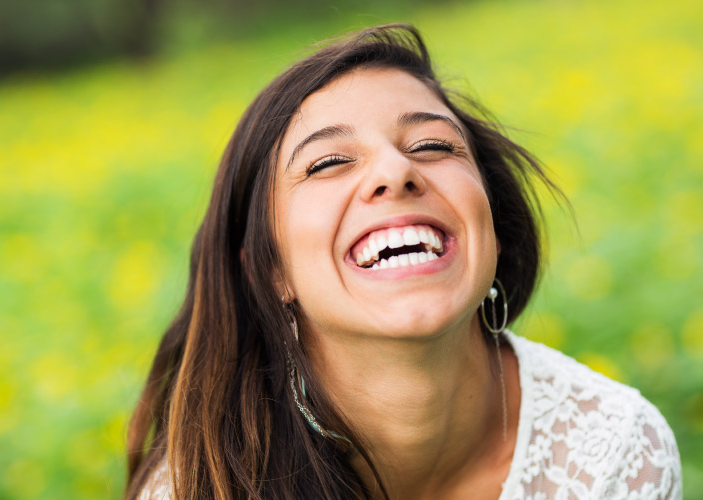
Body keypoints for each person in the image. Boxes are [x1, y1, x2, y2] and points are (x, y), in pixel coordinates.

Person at [124, 24, 681, 500]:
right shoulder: (201, 485)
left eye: (433, 146)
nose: (396, 170)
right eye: (329, 162)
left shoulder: (614, 451)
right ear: (272, 272)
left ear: (493, 223)